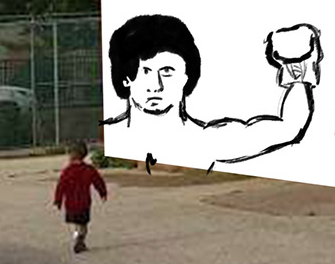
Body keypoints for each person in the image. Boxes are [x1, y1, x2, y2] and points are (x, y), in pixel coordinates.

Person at [103, 14, 322, 171]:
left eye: (167, 71)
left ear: (187, 76)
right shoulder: (112, 133)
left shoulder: (205, 142)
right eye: (145, 72)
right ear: (126, 78)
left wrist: (297, 63)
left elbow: (289, 128)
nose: (156, 85)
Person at [53, 140, 108, 254]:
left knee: (75, 224)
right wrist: (103, 193)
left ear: (70, 155)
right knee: (83, 224)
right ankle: (80, 239)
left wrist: (58, 200)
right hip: (84, 203)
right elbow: (98, 182)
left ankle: (77, 237)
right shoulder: (89, 169)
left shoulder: (67, 171)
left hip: (71, 204)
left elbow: (60, 187)